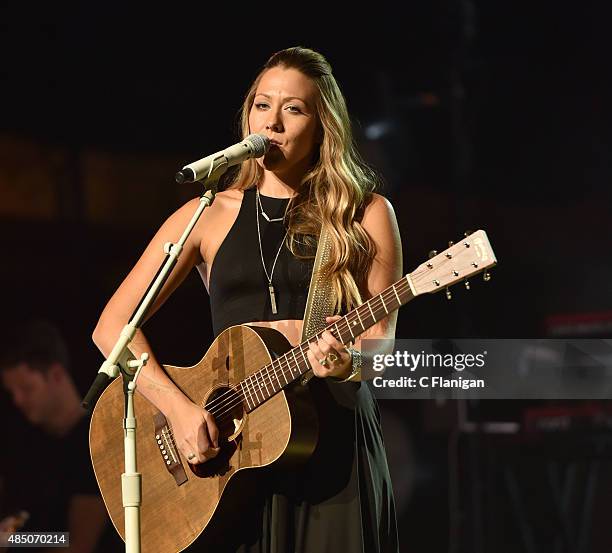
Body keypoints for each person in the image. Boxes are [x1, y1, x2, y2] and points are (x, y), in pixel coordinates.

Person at [93, 46, 402, 552]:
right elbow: (112, 327)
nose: (274, 122)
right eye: (263, 105)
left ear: (323, 125)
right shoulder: (207, 214)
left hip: (330, 447)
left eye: (294, 109)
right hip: (232, 458)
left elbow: (380, 347)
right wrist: (177, 408)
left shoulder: (362, 213)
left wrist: (346, 362)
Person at [0, 320, 120, 552]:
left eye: (26, 388)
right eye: (11, 392)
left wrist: (13, 540)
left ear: (56, 375)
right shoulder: (25, 445)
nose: (18, 400)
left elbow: (78, 543)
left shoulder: (92, 443)